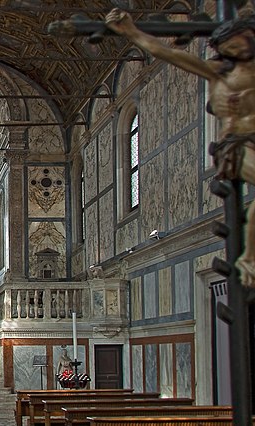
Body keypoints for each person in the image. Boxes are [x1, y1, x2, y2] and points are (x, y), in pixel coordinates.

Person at [106, 8, 255, 286]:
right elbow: (170, 55)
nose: (236, 50)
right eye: (230, 47)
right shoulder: (217, 71)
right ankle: (249, 259)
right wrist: (130, 31)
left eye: (240, 43)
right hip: (235, 145)